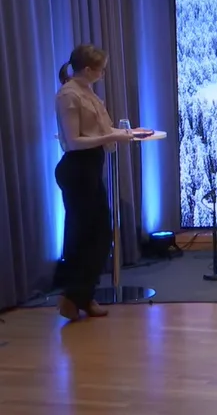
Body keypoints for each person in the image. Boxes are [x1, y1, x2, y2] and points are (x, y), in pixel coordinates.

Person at [54, 44, 136, 320]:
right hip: (77, 170)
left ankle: (82, 296)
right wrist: (112, 137)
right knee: (87, 235)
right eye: (101, 70)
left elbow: (96, 130)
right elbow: (74, 141)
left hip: (89, 168)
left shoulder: (86, 91)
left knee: (96, 234)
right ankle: (74, 295)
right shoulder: (69, 95)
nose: (103, 74)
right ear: (88, 69)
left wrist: (127, 133)